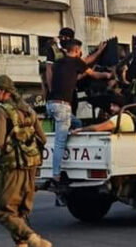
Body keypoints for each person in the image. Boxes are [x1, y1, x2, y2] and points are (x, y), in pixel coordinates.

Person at [0, 75, 53, 247]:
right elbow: (42, 138)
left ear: (3, 92)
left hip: (13, 167)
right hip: (30, 165)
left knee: (4, 211)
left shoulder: (1, 111)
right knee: (21, 211)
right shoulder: (29, 110)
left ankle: (36, 242)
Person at [47, 38, 112, 185]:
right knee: (59, 142)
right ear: (76, 50)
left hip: (51, 104)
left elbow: (74, 76)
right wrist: (108, 75)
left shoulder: (59, 63)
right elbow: (93, 73)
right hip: (62, 106)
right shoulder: (76, 62)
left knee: (77, 123)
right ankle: (56, 175)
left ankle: (75, 133)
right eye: (80, 51)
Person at [71, 93, 136, 134]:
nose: (111, 108)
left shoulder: (122, 117)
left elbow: (97, 128)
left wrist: (81, 129)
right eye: (111, 105)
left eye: (114, 105)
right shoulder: (125, 116)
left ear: (120, 106)